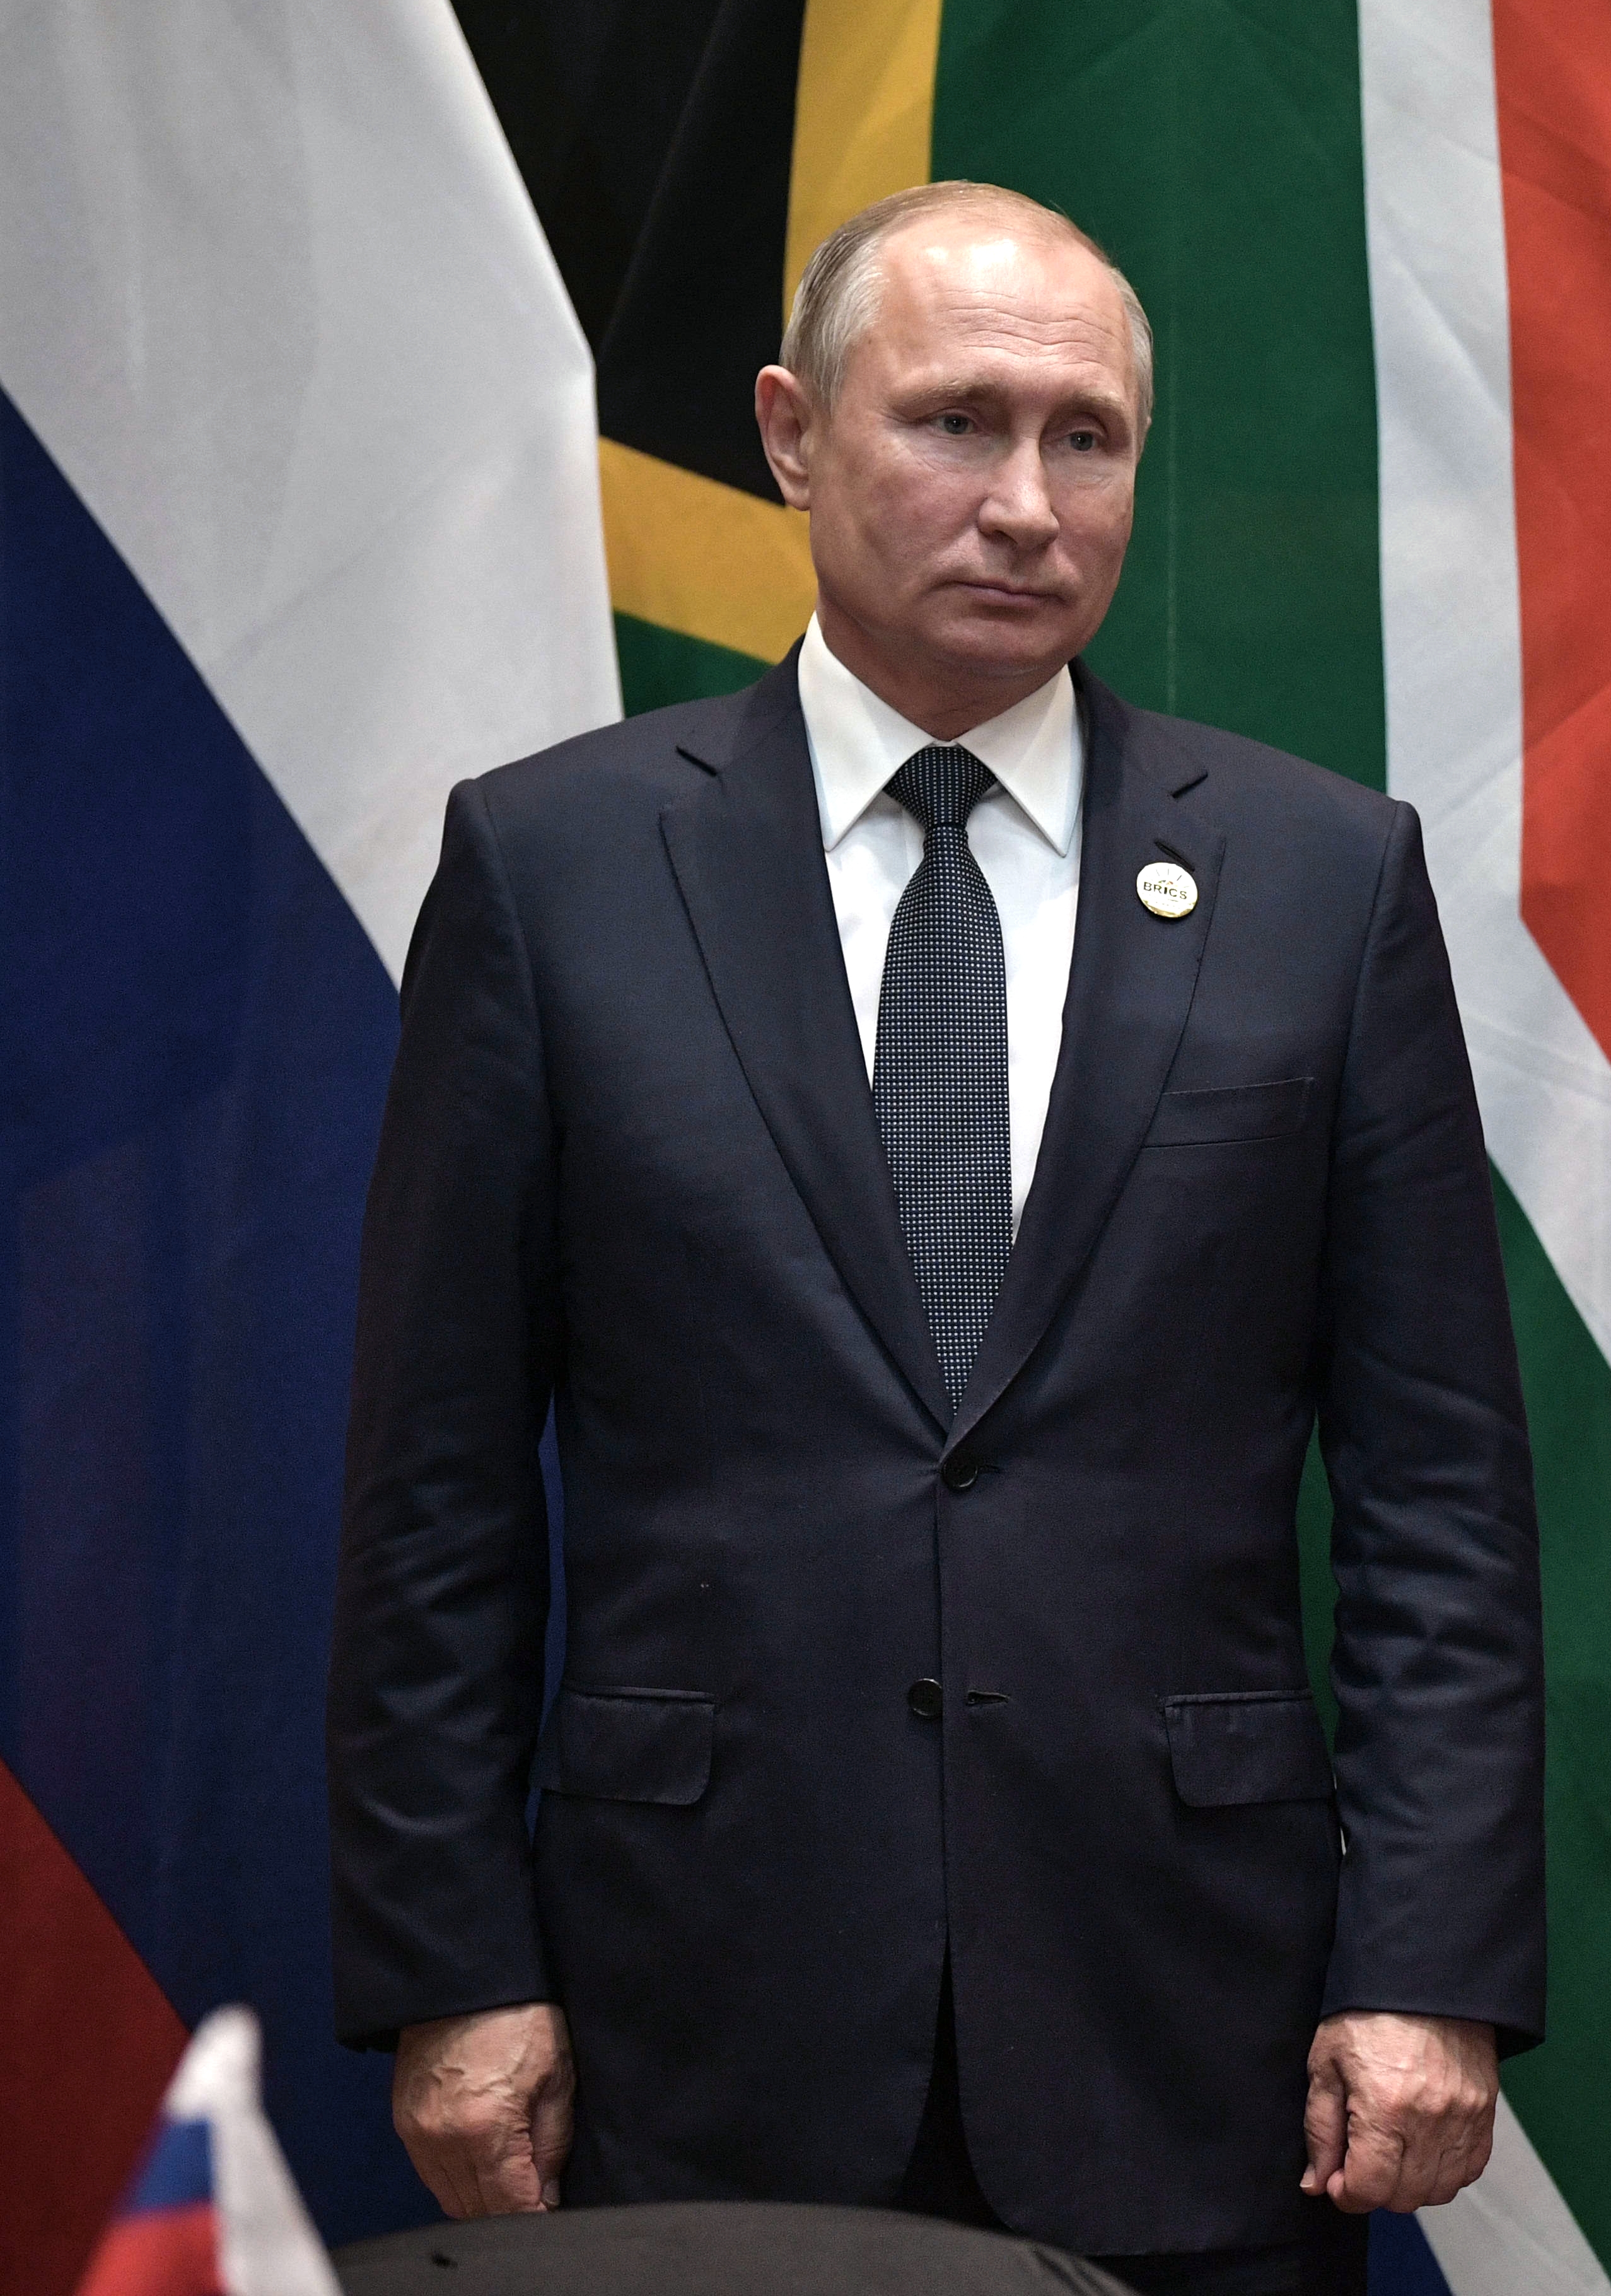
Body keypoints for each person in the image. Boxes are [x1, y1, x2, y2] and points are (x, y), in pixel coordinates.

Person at [327, 182, 1543, 2293]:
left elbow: (1440, 1490)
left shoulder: (1321, 881)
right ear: (794, 433)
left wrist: (1428, 1958)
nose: (1027, 501)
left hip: (1191, 2021)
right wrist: (452, 1964)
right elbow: (435, 1489)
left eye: (1088, 438)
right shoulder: (557, 867)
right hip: (697, 2011)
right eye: (956, 423)